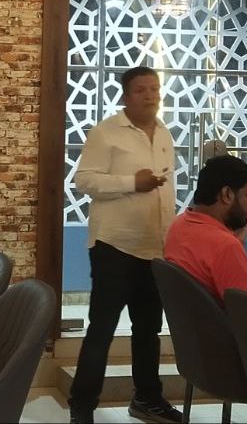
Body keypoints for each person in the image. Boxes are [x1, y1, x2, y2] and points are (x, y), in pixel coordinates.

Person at [69, 66, 181, 424]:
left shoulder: (164, 133)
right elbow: (84, 181)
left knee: (148, 330)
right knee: (101, 330)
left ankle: (147, 398)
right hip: (114, 247)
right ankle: (82, 406)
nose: (150, 96)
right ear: (126, 96)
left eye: (154, 88)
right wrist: (132, 182)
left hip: (155, 248)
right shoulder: (106, 132)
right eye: (141, 90)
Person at [163, 154, 247, 311]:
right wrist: (232, 246)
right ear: (227, 194)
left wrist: (235, 243)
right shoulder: (225, 246)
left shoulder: (179, 226)